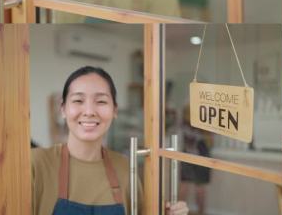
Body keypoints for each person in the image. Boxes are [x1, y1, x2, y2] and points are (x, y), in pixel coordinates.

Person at [31, 66, 189, 215]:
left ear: (115, 110)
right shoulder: (36, 164)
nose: (89, 112)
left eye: (101, 102)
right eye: (78, 101)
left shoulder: (125, 168)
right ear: (63, 109)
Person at [179, 105, 213, 215]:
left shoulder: (186, 122)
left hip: (193, 155)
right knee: (196, 188)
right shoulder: (204, 121)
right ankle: (199, 213)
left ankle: (179, 213)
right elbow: (211, 140)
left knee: (189, 187)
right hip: (198, 155)